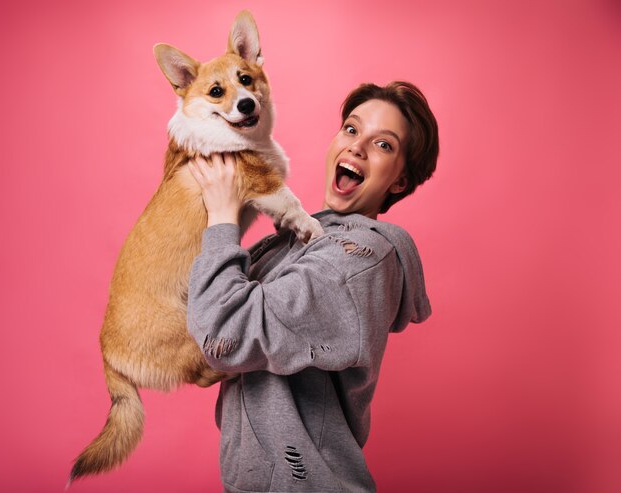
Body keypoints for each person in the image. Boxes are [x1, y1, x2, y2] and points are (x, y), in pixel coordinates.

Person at [185, 81, 439, 493]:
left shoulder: (356, 259)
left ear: (399, 182)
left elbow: (223, 332)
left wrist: (222, 216)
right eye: (352, 129)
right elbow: (217, 340)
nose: (356, 148)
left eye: (384, 145)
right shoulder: (300, 241)